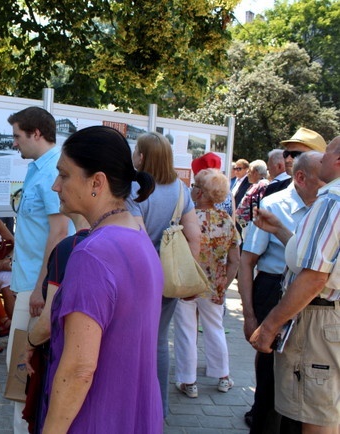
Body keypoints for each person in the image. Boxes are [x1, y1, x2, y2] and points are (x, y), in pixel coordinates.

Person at [42, 125, 162, 433]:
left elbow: (80, 368)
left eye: (65, 175)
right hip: (134, 413)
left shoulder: (92, 254)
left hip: (96, 416)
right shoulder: (137, 235)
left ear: (97, 182)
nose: (56, 185)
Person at [250, 137, 340, 434]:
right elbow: (315, 260)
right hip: (326, 318)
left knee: (318, 421)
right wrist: (278, 228)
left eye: (326, 152)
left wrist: (270, 326)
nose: (321, 155)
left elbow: (315, 277)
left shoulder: (331, 200)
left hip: (318, 320)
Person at [6, 106, 71, 433]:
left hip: (38, 286)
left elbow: (60, 233)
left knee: (21, 369)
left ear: (36, 133)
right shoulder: (39, 168)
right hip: (31, 281)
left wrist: (42, 288)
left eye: (17, 136)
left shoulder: (50, 173)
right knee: (21, 369)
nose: (14, 143)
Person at [127, 131, 201, 417]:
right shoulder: (181, 189)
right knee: (159, 341)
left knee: (132, 340)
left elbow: (136, 237)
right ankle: (159, 407)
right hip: (169, 278)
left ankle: (135, 406)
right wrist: (186, 274)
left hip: (138, 276)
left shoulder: (134, 190)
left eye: (136, 151)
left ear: (142, 157)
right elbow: (195, 236)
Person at [173, 169, 240, 399]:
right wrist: (224, 284)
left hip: (187, 284)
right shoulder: (227, 222)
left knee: (186, 331)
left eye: (194, 186)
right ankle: (223, 376)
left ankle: (188, 381)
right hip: (214, 285)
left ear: (200, 192)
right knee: (215, 329)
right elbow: (235, 260)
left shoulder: (186, 220)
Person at [22, 213, 90, 434]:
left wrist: (30, 342)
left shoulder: (68, 247)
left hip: (64, 360)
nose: (56, 186)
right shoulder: (132, 241)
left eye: (64, 176)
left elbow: (49, 321)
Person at [267, 127, 326, 195]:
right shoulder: (273, 189)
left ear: (321, 158)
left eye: (296, 154)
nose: (287, 160)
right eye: (286, 154)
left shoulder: (333, 192)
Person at [236, 159, 269, 227]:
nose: (247, 175)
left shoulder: (263, 184)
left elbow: (258, 204)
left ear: (255, 172)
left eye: (249, 172)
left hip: (251, 225)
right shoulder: (256, 185)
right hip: (246, 225)